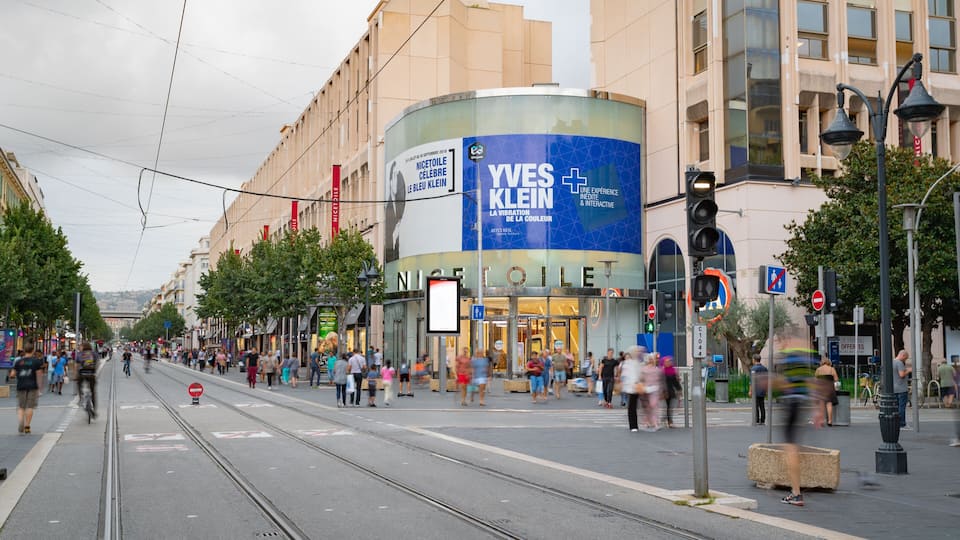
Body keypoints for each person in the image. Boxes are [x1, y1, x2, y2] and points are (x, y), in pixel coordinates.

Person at [773, 337, 825, 507]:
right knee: (793, 446)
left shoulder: (788, 360)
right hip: (801, 405)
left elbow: (783, 384)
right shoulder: (803, 362)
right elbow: (812, 384)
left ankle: (796, 493)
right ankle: (795, 491)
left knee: (791, 448)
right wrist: (817, 409)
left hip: (791, 405)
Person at [14, 342, 45, 434]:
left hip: (21, 386)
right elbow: (39, 375)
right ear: (33, 350)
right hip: (32, 386)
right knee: (30, 406)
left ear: (24, 350)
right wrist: (40, 388)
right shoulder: (36, 362)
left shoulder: (18, 362)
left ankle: (21, 421)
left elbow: (12, 374)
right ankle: (27, 426)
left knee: (21, 406)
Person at [620, 347, 643, 432]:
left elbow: (639, 374)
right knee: (632, 407)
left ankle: (635, 425)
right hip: (631, 387)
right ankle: (633, 426)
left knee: (634, 406)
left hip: (637, 387)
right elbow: (625, 375)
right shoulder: (628, 363)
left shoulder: (637, 363)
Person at [639, 351, 662, 431]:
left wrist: (661, 390)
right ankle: (647, 421)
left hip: (655, 389)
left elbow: (659, 380)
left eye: (652, 359)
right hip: (646, 389)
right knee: (647, 407)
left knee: (654, 405)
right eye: (650, 359)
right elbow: (641, 378)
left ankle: (655, 422)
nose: (651, 360)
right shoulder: (644, 369)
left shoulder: (657, 369)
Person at [815, 357, 839, 426]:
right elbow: (836, 379)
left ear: (822, 362)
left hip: (821, 387)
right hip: (829, 387)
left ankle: (821, 421)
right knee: (829, 404)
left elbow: (816, 379)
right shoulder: (832, 369)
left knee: (822, 404)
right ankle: (830, 421)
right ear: (829, 362)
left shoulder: (818, 369)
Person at [77, 342, 98, 416]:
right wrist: (94, 371)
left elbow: (77, 365)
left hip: (82, 374)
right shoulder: (94, 353)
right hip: (91, 374)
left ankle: (81, 398)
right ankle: (94, 408)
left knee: (79, 384)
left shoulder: (80, 354)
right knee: (93, 391)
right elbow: (97, 363)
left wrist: (75, 375)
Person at [893, 350, 912, 428]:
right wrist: (909, 370)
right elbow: (902, 374)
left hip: (894, 388)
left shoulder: (892, 362)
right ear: (903, 355)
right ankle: (902, 422)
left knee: (896, 406)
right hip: (901, 388)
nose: (905, 360)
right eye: (905, 358)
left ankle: (895, 422)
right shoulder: (899, 363)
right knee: (901, 407)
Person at [662, 356, 682, 428]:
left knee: (670, 407)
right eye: (666, 362)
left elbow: (675, 382)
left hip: (670, 391)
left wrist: (679, 389)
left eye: (669, 361)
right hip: (663, 391)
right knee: (665, 407)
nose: (668, 363)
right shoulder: (662, 371)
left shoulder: (672, 371)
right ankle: (666, 419)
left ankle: (669, 420)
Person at [749, 354, 769, 425]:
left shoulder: (753, 369)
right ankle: (763, 420)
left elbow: (751, 381)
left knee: (756, 406)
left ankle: (756, 419)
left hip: (756, 389)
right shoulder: (765, 369)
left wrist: (750, 390)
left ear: (754, 360)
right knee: (762, 405)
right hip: (763, 389)